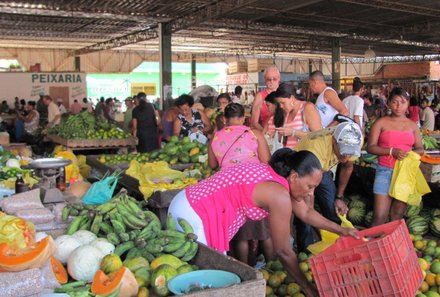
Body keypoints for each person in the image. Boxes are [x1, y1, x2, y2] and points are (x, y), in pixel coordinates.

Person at [168, 150, 357, 297]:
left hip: (189, 202)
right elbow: (283, 250)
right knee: (205, 283)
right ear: (294, 177)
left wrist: (341, 230)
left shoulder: (277, 179)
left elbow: (306, 212)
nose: (310, 193)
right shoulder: (278, 194)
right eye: (310, 186)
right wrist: (308, 289)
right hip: (194, 214)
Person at [208, 103, 272, 265]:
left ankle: (245, 269)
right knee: (264, 231)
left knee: (241, 233)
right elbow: (266, 161)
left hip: (228, 188)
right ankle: (274, 266)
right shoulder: (254, 134)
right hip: (255, 187)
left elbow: (212, 165)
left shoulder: (215, 137)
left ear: (225, 119)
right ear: (243, 118)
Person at [295, 120, 362, 252]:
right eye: (343, 151)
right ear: (333, 141)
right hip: (304, 170)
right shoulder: (315, 148)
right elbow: (309, 194)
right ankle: (307, 250)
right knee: (305, 215)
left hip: (323, 169)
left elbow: (347, 167)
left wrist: (339, 197)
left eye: (350, 152)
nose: (346, 156)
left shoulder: (353, 137)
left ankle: (336, 244)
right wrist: (310, 215)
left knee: (333, 208)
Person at [367, 87, 424, 226]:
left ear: (408, 104)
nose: (398, 106)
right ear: (389, 103)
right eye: (394, 102)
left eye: (402, 102)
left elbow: (420, 148)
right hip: (385, 171)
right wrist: (392, 151)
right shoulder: (380, 122)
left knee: (397, 215)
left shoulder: (413, 126)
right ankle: (372, 245)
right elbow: (370, 147)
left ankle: (391, 246)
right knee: (379, 216)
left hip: (405, 173)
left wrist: (411, 154)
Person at [266, 82, 321, 149]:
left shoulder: (307, 108)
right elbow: (287, 133)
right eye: (279, 103)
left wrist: (294, 132)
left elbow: (319, 136)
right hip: (290, 156)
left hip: (305, 156)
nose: (281, 106)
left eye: (282, 103)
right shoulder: (287, 111)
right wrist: (277, 134)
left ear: (292, 98)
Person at [337, 79, 365, 202]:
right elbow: (357, 117)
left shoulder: (345, 100)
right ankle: (340, 194)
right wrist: (361, 133)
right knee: (348, 166)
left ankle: (339, 191)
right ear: (362, 89)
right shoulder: (359, 100)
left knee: (342, 161)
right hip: (352, 133)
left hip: (342, 131)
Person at [250, 65, 280, 131]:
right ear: (264, 79)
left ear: (279, 78)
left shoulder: (284, 94)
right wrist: (266, 133)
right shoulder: (260, 96)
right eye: (268, 79)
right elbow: (254, 122)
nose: (271, 81)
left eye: (274, 79)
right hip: (266, 134)